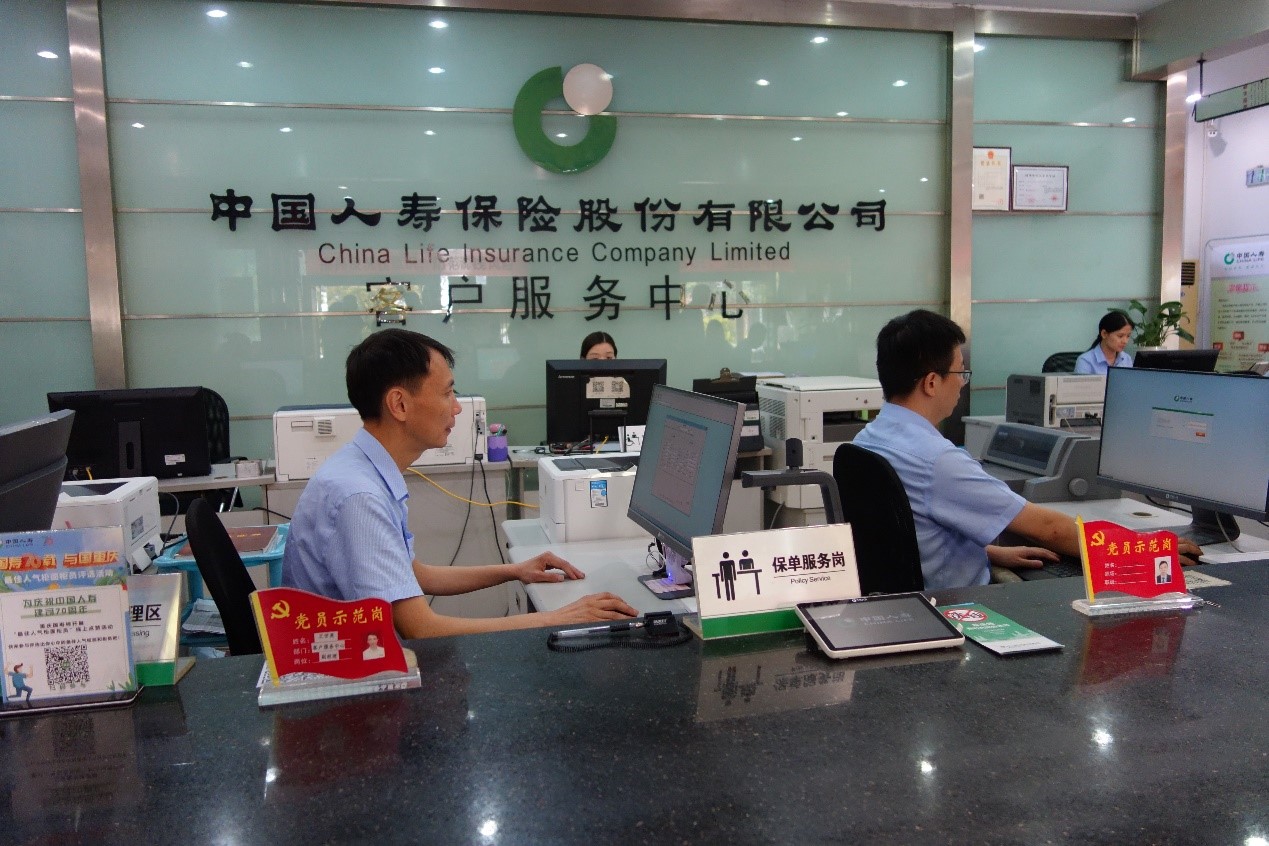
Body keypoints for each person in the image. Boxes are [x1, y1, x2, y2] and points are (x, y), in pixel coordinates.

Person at [283, 329, 638, 638]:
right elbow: (422, 629)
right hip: (339, 679)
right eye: (447, 393)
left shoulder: (363, 470)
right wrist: (557, 618)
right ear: (399, 404)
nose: (456, 408)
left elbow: (414, 575)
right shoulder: (360, 497)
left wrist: (515, 570)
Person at [852, 309, 1200, 590]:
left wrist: (987, 551)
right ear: (931, 382)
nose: (962, 383)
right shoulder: (938, 461)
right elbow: (1048, 528)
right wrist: (1143, 548)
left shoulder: (869, 437)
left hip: (913, 595)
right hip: (958, 605)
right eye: (961, 372)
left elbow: (906, 532)